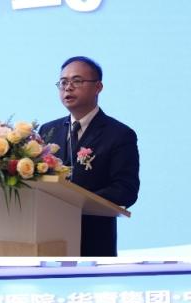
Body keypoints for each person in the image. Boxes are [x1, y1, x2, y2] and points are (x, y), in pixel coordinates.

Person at [38, 56, 140, 257]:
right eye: (63, 82)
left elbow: (125, 190)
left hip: (93, 240)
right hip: (47, 236)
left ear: (98, 87)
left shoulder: (119, 134)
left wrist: (75, 201)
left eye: (77, 81)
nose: (68, 87)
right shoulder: (48, 130)